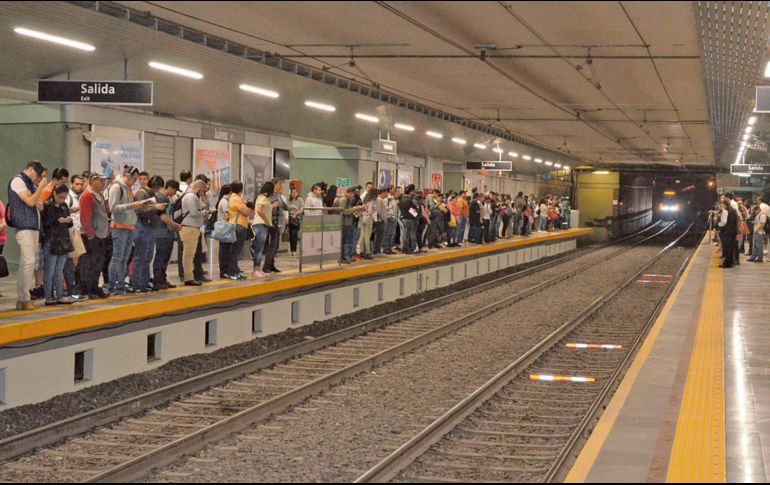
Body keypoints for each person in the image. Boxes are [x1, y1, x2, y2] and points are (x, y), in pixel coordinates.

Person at [7, 161, 47, 310]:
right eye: (37, 175)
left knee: (26, 263)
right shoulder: (18, 181)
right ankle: (25, 297)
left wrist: (36, 191)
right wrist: (41, 188)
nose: (38, 179)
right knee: (29, 262)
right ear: (30, 170)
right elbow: (30, 202)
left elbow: (40, 205)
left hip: (33, 227)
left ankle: (22, 299)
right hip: (24, 227)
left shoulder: (30, 184)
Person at [132, 176, 169, 292]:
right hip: (142, 227)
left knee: (147, 256)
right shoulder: (141, 193)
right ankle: (138, 283)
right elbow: (139, 209)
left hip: (148, 227)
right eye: (157, 188)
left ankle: (144, 281)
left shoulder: (148, 193)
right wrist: (155, 207)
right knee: (141, 257)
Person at [41, 184, 76, 305]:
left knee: (59, 270)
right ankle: (48, 296)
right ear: (54, 194)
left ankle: (60, 295)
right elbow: (44, 224)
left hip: (63, 240)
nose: (62, 200)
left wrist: (68, 220)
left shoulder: (64, 206)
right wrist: (57, 220)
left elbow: (69, 224)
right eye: (60, 197)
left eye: (64, 198)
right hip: (51, 241)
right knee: (49, 271)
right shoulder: (47, 206)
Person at [79, 172, 110, 299]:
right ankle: (86, 289)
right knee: (88, 263)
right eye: (100, 181)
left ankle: (94, 285)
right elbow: (85, 217)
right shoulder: (87, 196)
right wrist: (90, 234)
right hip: (91, 236)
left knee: (98, 262)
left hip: (101, 234)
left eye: (104, 181)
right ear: (92, 181)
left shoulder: (100, 195)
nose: (103, 183)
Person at [153, 180, 182, 289]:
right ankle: (159, 280)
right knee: (162, 257)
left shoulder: (165, 198)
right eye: (175, 190)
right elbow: (163, 217)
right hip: (163, 232)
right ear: (170, 188)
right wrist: (175, 225)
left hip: (165, 232)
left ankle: (162, 279)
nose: (175, 193)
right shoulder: (162, 198)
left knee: (164, 257)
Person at [179, 180, 208, 286]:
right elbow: (194, 212)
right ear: (199, 188)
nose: (203, 194)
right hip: (189, 228)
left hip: (193, 228)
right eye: (203, 191)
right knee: (188, 254)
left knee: (190, 254)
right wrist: (204, 212)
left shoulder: (193, 196)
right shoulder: (191, 196)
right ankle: (188, 277)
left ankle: (189, 276)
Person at [225, 181, 251, 280]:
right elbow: (246, 212)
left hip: (236, 226)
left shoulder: (233, 197)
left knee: (234, 251)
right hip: (239, 226)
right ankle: (233, 272)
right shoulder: (236, 198)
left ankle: (234, 271)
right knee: (235, 251)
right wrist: (249, 208)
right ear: (241, 189)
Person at [251, 181, 274, 278]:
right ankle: (256, 270)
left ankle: (257, 269)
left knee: (260, 248)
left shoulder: (262, 197)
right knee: (259, 249)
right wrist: (267, 221)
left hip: (261, 224)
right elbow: (259, 210)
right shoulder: (263, 198)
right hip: (260, 224)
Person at [215, 184, 233, 279]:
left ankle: (225, 270)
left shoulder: (223, 200)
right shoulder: (225, 201)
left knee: (225, 249)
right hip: (225, 228)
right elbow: (227, 216)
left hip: (223, 228)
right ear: (229, 192)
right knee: (225, 250)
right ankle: (223, 271)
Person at [718, 200, 739, 268]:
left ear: (724, 205)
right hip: (733, 232)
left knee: (727, 248)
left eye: (721, 204)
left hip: (727, 232)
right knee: (731, 248)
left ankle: (726, 264)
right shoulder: (733, 210)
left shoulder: (725, 211)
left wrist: (718, 224)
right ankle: (731, 263)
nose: (720, 206)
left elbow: (723, 222)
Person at [287, 188, 304, 256]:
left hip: (297, 219)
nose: (293, 193)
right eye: (292, 192)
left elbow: (302, 208)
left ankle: (295, 250)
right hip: (290, 218)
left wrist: (296, 213)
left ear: (297, 193)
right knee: (290, 234)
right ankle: (291, 250)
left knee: (294, 234)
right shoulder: (289, 200)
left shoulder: (300, 199)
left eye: (295, 192)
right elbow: (287, 207)